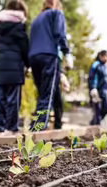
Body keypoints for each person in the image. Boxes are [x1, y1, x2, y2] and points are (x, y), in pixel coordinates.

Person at [29, 0, 73, 131]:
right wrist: (67, 52)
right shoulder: (56, 13)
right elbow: (60, 33)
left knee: (42, 93)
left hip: (34, 57)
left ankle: (36, 125)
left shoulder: (37, 19)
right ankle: (38, 129)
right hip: (49, 55)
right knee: (47, 94)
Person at [0, 0, 29, 134]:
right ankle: (11, 127)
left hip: (1, 63)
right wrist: (28, 64)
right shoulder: (19, 26)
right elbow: (25, 48)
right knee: (13, 98)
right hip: (15, 65)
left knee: (1, 97)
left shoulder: (0, 26)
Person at [89, 50, 107, 125]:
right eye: (105, 56)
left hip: (105, 91)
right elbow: (93, 77)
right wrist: (93, 88)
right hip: (97, 90)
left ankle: (93, 123)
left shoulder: (106, 66)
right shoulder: (96, 65)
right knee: (98, 110)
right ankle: (96, 126)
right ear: (101, 56)